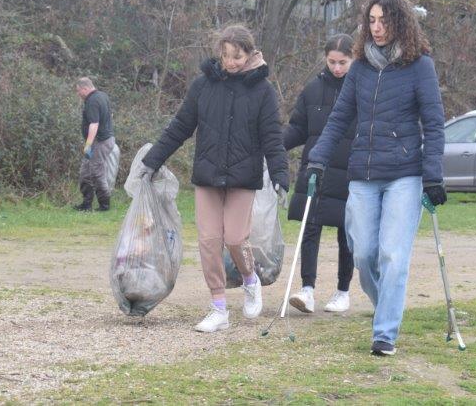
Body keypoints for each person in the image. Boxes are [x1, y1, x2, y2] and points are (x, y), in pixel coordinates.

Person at [306, 0, 447, 356]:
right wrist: (318, 157)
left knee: (393, 255)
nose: (377, 27)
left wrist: (433, 175)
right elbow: (339, 117)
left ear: (400, 22)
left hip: (405, 174)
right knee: (364, 253)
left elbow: (433, 124)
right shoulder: (361, 67)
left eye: (384, 20)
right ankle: (385, 304)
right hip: (363, 173)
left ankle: (384, 332)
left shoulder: (420, 66)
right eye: (371, 20)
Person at [138, 24, 289, 333]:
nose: (230, 62)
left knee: (235, 239)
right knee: (209, 241)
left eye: (237, 56)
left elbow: (272, 137)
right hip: (208, 175)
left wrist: (280, 175)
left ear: (249, 55)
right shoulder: (203, 85)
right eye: (225, 55)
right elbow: (180, 126)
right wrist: (152, 161)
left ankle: (250, 279)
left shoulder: (263, 91)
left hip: (243, 177)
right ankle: (218, 307)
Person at [283, 34, 356, 314]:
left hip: (349, 171)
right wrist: (273, 146)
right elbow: (298, 128)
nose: (337, 68)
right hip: (316, 169)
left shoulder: (361, 88)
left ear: (353, 59)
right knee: (309, 228)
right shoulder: (313, 89)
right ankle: (307, 289)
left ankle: (343, 291)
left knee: (345, 233)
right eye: (332, 62)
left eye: (343, 62)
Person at [74, 77, 116, 212]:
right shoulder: (102, 96)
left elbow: (94, 124)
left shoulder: (92, 101)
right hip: (102, 141)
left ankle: (104, 206)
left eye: (78, 91)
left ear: (85, 88)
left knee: (96, 173)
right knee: (85, 172)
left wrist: (88, 144)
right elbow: (110, 115)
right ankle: (86, 204)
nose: (78, 94)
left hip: (100, 142)